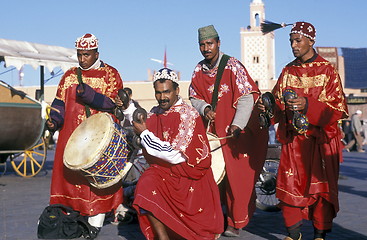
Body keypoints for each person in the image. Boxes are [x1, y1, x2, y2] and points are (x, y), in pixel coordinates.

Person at [258, 22, 348, 240]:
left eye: (298, 40)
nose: (293, 45)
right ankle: (294, 233)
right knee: (289, 186)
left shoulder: (328, 71)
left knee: (320, 191)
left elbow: (338, 108)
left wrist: (308, 105)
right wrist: (268, 108)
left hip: (320, 143)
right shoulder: (287, 71)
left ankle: (319, 235)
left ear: (311, 41)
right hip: (294, 143)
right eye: (291, 41)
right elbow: (278, 105)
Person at [189, 25, 268, 237]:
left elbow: (246, 96)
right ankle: (218, 216)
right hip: (213, 133)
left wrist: (238, 124)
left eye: (210, 44)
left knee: (236, 178)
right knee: (214, 176)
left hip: (235, 132)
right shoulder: (198, 69)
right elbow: (194, 96)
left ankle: (236, 221)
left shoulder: (233, 66)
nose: (206, 48)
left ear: (218, 43)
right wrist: (204, 108)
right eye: (202, 45)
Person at [132, 68, 224, 240]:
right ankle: (162, 237)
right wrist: (128, 109)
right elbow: (142, 121)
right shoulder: (156, 112)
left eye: (166, 92)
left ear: (176, 90)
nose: (162, 97)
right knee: (146, 183)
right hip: (166, 173)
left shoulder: (188, 115)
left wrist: (144, 134)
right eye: (158, 93)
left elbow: (174, 154)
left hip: (188, 176)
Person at [46, 33, 123, 235]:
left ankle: (94, 229)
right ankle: (74, 225)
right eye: (79, 55)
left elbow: (112, 104)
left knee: (96, 186)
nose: (82, 59)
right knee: (72, 183)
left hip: (97, 142)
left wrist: (89, 95)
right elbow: (59, 104)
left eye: (86, 55)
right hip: (72, 140)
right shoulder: (69, 75)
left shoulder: (111, 74)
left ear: (96, 53)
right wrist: (54, 120)